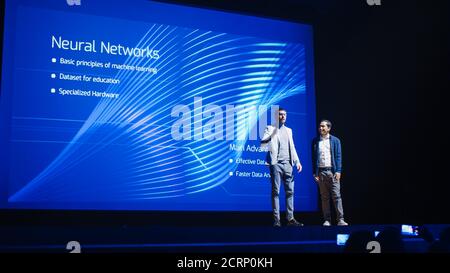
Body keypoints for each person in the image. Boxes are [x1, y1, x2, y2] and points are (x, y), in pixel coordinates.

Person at [261, 108, 303, 227]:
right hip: (276, 164)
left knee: (290, 191)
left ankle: (290, 219)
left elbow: (292, 147)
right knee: (276, 192)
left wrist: (297, 161)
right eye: (280, 115)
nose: (283, 116)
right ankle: (277, 220)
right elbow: (263, 144)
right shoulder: (270, 128)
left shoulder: (289, 130)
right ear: (276, 116)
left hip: (289, 164)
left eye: (285, 114)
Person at [312, 120, 348, 226]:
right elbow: (313, 158)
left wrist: (338, 171)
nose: (321, 128)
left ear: (329, 128)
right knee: (324, 197)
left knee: (336, 196)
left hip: (332, 171)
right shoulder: (315, 141)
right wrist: (315, 173)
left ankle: (340, 219)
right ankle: (327, 220)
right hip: (321, 172)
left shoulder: (335, 140)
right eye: (320, 126)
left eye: (323, 126)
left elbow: (338, 156)